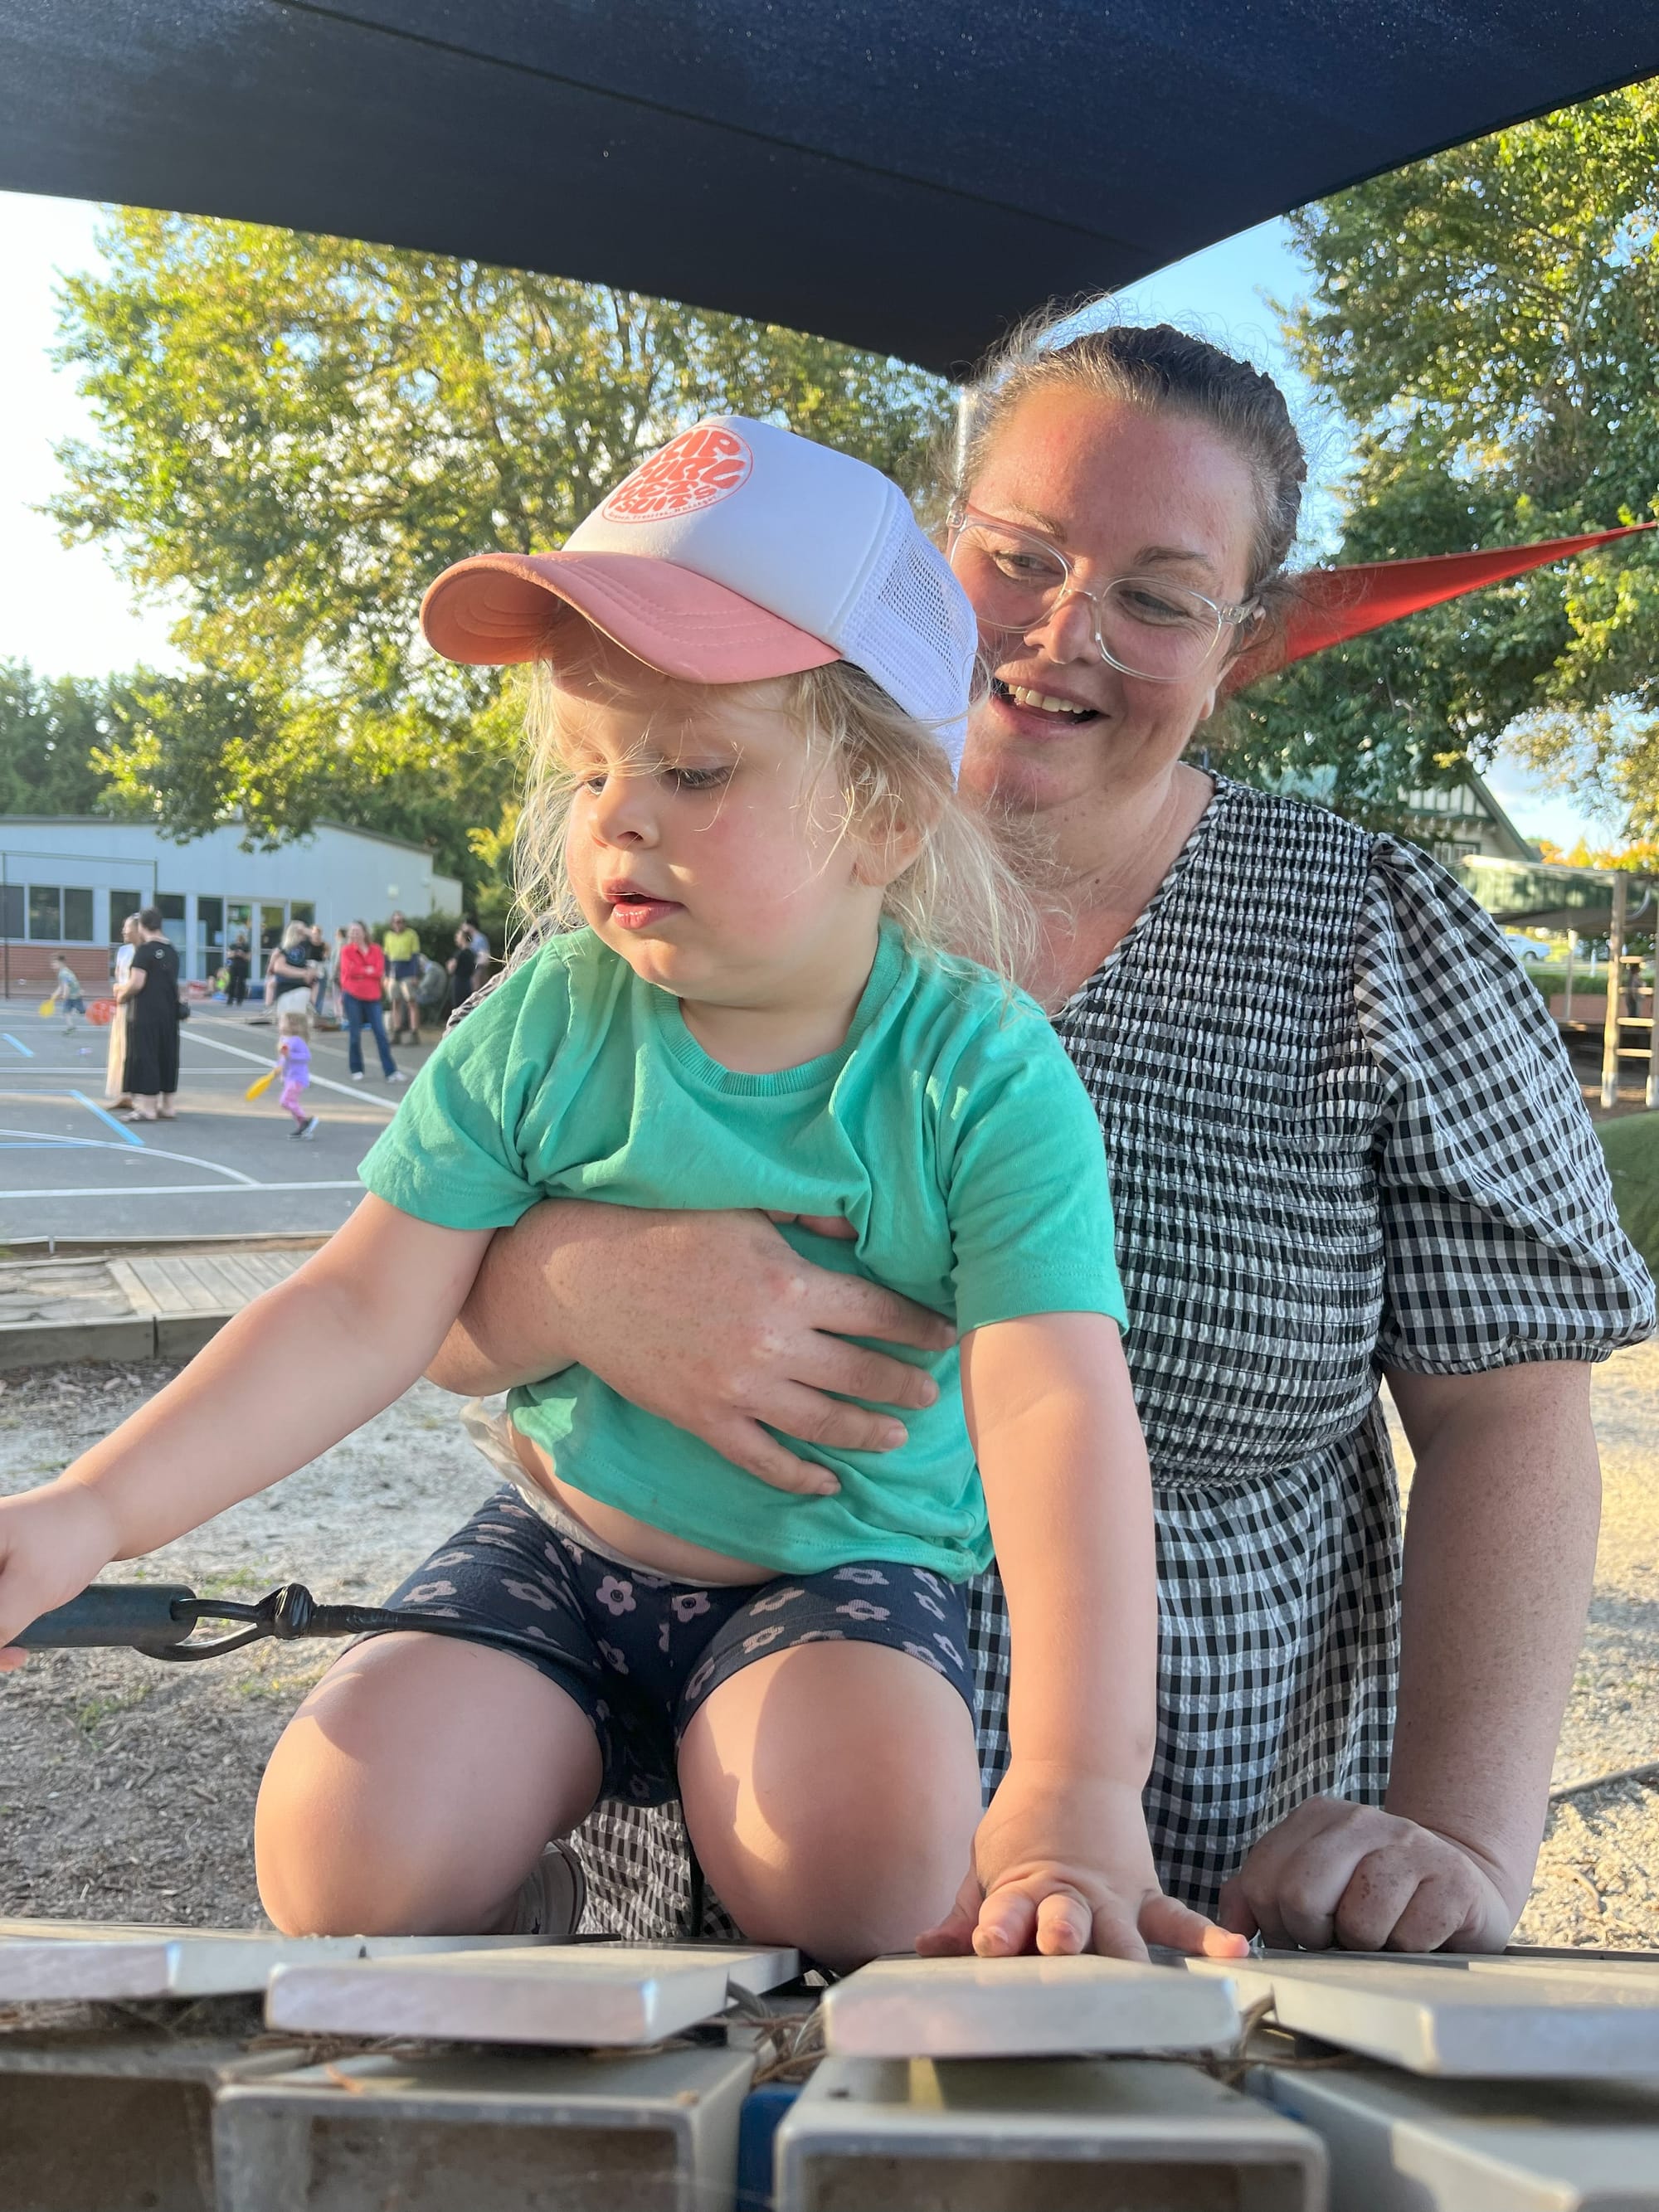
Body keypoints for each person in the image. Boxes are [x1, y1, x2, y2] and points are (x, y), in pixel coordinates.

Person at [428, 322, 1656, 1956]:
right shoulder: (670, 867)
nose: (1061, 631)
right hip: (715, 1900)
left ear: (1240, 641)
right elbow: (409, 1302)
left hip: (1184, 1906)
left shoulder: (1374, 939)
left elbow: (1508, 1409)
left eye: (1157, 596)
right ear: (933, 557)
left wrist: (1453, 1838)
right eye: (1017, 555)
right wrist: (571, 1288)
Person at [0, 418, 1244, 1974]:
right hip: (561, 1546)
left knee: (858, 1860)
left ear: (887, 811)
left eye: (693, 764)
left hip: (835, 1579)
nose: (620, 815)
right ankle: (531, 1897)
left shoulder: (976, 1074)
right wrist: (83, 1512)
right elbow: (359, 1303)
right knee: (337, 1850)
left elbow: (1060, 1422)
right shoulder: (549, 1017)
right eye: (590, 766)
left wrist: (1071, 1788)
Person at [117, 906, 181, 1122]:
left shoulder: (144, 952)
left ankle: (147, 1108)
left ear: (142, 926)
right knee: (167, 1056)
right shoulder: (172, 950)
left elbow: (137, 983)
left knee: (146, 1056)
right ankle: (168, 1105)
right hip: (168, 1013)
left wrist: (122, 995)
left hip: (145, 1013)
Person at [338, 920, 405, 1083]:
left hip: (373, 997)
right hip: (352, 995)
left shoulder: (376, 949)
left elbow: (379, 971)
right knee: (355, 1034)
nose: (354, 934)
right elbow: (349, 970)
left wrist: (364, 972)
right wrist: (367, 970)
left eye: (357, 930)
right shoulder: (346, 951)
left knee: (381, 1034)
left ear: (364, 932)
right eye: (352, 931)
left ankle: (390, 1071)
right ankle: (356, 1069)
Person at [104, 912, 142, 1109]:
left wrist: (124, 990)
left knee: (134, 1050)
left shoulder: (144, 951)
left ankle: (138, 1094)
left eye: (127, 927)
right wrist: (118, 990)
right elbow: (119, 976)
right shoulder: (123, 951)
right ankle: (123, 1092)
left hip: (137, 1006)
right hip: (122, 1004)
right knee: (120, 1049)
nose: (124, 931)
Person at [275, 1009, 319, 1140]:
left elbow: (306, 1057)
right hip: (290, 1077)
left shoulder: (297, 1041)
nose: (280, 1024)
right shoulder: (284, 1039)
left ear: (293, 1025)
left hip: (298, 1077)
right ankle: (302, 1126)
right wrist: (279, 1070)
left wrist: (290, 1055)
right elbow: (282, 1058)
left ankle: (305, 1122)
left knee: (286, 1101)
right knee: (287, 1101)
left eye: (283, 1022)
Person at [383, 910, 423, 1044]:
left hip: (407, 970)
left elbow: (415, 956)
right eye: (395, 922)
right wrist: (386, 976)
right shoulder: (388, 936)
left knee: (411, 1001)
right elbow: (387, 957)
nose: (398, 924)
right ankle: (397, 1031)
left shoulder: (411, 934)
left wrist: (415, 974)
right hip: (394, 972)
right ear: (392, 923)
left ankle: (414, 1031)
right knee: (395, 1002)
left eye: (400, 921)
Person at [265, 922, 319, 1020]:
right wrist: (270, 967)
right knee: (271, 983)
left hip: (301, 982)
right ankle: (270, 1006)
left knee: (316, 982)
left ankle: (311, 1004)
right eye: (299, 932)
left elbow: (316, 938)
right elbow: (275, 956)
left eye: (302, 932)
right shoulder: (285, 946)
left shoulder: (305, 944)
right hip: (287, 981)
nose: (301, 935)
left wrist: (305, 930)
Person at [50, 956, 85, 1033]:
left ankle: (92, 1012)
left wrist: (65, 994)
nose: (52, 965)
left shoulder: (63, 974)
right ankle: (71, 1027)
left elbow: (67, 986)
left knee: (82, 1011)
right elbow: (61, 986)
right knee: (66, 1011)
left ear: (60, 963)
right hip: (70, 996)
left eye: (54, 963)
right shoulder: (64, 972)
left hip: (75, 996)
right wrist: (55, 994)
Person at [448, 922, 478, 1009]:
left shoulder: (460, 953)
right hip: (468, 982)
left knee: (458, 1006)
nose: (456, 938)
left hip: (458, 982)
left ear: (463, 938)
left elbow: (451, 967)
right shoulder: (472, 953)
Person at [225, 931, 251, 1008]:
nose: (239, 940)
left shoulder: (246, 946)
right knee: (232, 982)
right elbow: (228, 955)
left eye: (241, 938)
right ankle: (230, 999)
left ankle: (240, 1000)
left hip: (243, 967)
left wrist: (242, 954)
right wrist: (235, 953)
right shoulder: (233, 946)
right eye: (238, 938)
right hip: (233, 966)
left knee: (241, 983)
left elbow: (249, 958)